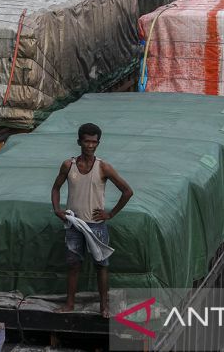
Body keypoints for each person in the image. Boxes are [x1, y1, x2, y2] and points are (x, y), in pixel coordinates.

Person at [50, 123, 134, 319]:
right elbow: (56, 188)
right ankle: (70, 304)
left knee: (101, 265)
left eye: (93, 142)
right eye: (86, 141)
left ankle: (104, 307)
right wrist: (57, 210)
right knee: (73, 265)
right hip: (74, 224)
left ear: (98, 143)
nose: (90, 145)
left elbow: (127, 191)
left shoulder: (103, 167)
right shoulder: (68, 165)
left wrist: (110, 214)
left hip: (96, 225)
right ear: (79, 141)